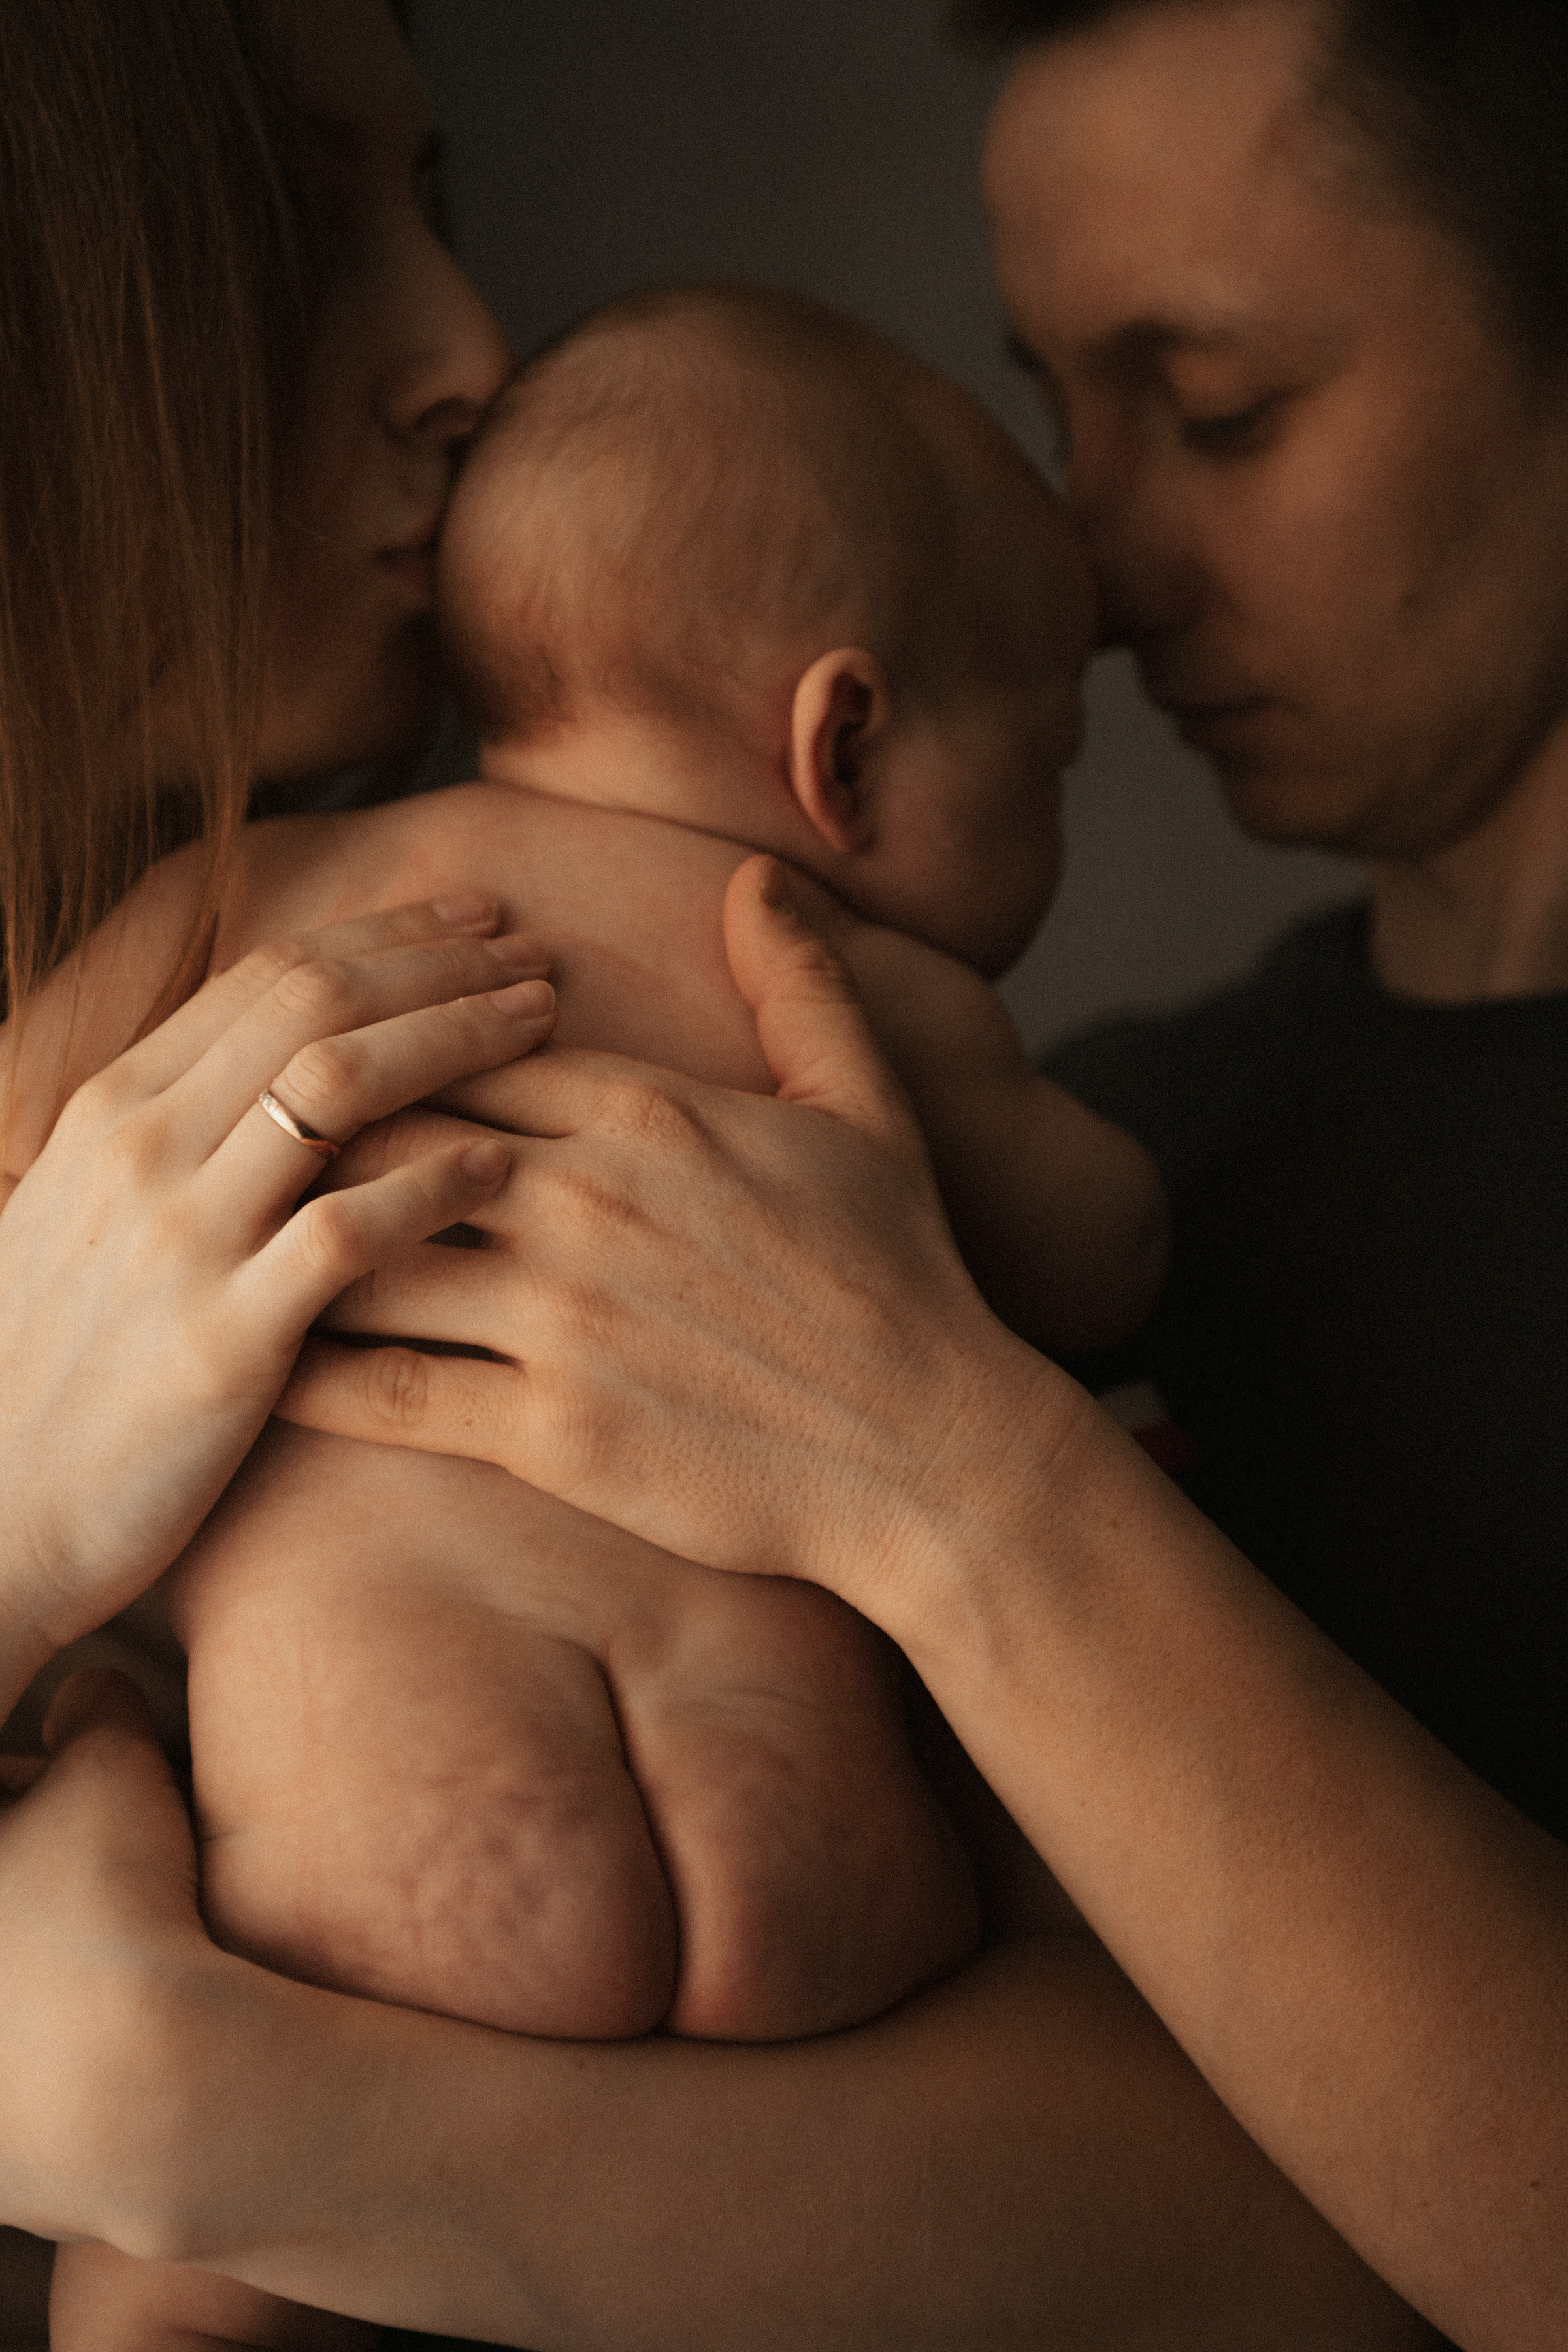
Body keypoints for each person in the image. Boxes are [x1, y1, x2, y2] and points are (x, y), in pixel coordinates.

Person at [2, 3, 1559, 2351]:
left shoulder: (874, 1239)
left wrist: (209, 2111)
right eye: (1061, 412)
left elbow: (1352, 2229)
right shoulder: (1071, 1122)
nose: (1106, 579)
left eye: (1225, 403)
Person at [41, 280, 1170, 2349]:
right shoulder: (803, 964)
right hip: (825, 1890)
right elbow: (1103, 1245)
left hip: (364, 1899)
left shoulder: (242, 898)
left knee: (184, 2266)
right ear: (848, 744)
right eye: (1058, 751)